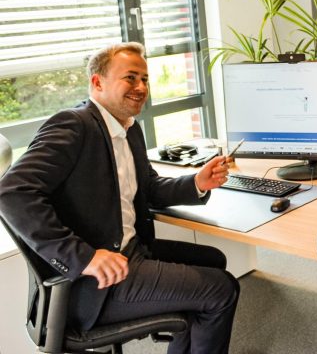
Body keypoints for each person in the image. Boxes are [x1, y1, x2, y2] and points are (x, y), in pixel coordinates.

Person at [0, 42, 239, 354]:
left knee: (213, 261)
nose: (141, 87)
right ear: (97, 82)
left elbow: (149, 188)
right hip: (96, 282)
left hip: (131, 249)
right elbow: (12, 191)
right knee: (221, 289)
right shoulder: (74, 125)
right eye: (130, 78)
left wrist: (197, 182)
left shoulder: (128, 128)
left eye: (145, 79)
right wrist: (83, 257)